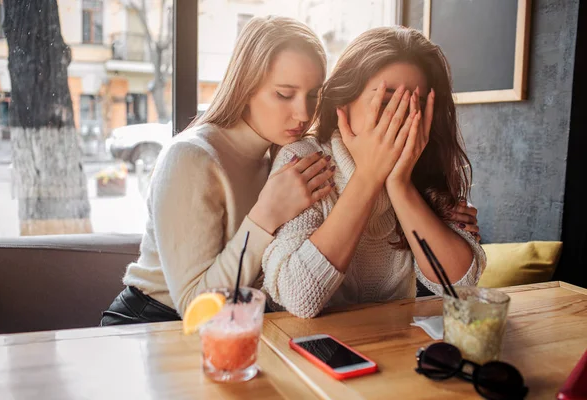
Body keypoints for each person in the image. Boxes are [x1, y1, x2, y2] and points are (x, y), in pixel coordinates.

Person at [101, 16, 334, 325]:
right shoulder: (190, 157)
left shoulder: (284, 156)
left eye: (313, 95)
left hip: (238, 322)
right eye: (283, 94)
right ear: (246, 86)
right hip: (152, 324)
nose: (304, 113)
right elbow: (195, 308)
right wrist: (265, 216)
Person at [262, 26, 486, 318]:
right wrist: (368, 176)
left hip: (393, 343)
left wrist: (399, 183)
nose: (399, 118)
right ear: (344, 99)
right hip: (304, 348)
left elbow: (459, 286)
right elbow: (298, 297)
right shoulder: (303, 159)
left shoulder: (425, 166)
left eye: (413, 106)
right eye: (386, 100)